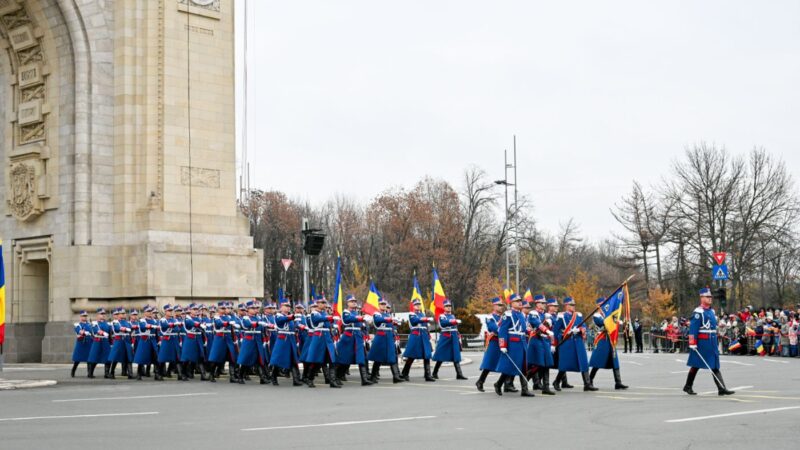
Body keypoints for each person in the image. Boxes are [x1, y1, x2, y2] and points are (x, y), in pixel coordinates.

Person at [683, 288, 734, 396]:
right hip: (702, 343)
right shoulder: (698, 312)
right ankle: (689, 386)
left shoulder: (711, 311)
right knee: (697, 365)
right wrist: (692, 343)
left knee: (713, 365)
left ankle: (721, 388)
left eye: (710, 297)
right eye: (707, 297)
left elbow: (710, 326)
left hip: (712, 342)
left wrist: (718, 326)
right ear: (701, 298)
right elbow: (693, 329)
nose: (710, 299)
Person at [493, 293, 535, 397]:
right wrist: (503, 345)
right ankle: (498, 384)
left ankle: (524, 390)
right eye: (517, 301)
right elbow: (502, 330)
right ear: (511, 303)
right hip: (513, 343)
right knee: (511, 366)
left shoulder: (521, 314)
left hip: (522, 342)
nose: (520, 302)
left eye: (520, 300)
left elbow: (524, 329)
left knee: (523, 366)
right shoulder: (508, 315)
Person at [553, 296, 596, 391]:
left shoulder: (578, 315)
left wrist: (580, 329)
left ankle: (587, 384)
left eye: (574, 305)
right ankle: (557, 381)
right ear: (566, 305)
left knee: (583, 362)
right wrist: (555, 343)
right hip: (567, 342)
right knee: (565, 363)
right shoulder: (561, 316)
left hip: (578, 341)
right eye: (571, 305)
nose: (573, 306)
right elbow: (556, 331)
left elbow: (584, 325)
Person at [588, 297, 628, 390]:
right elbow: (603, 324)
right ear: (598, 306)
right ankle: (589, 381)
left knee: (615, 361)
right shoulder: (596, 316)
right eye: (603, 304)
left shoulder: (607, 315)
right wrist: (615, 322)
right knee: (598, 362)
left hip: (610, 339)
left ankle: (618, 382)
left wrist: (616, 321)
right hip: (602, 340)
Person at [269, 298, 305, 386]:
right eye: (286, 306)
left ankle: (296, 380)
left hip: (291, 339)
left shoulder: (290, 317)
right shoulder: (278, 315)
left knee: (293, 360)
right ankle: (273, 377)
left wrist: (303, 327)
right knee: (278, 360)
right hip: (282, 340)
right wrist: (291, 317)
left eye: (289, 306)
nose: (288, 308)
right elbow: (281, 320)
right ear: (281, 307)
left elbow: (295, 325)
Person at [305, 297, 340, 388]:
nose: (324, 305)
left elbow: (329, 325)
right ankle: (310, 379)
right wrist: (329, 317)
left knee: (332, 360)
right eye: (322, 303)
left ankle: (332, 381)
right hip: (319, 338)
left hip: (327, 338)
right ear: (318, 303)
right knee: (317, 361)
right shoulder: (314, 313)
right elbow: (317, 320)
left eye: (325, 303)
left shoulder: (325, 313)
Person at [368, 299, 405, 384]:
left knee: (392, 356)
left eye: (385, 304)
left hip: (389, 337)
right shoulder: (377, 314)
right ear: (379, 305)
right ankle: (373, 376)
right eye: (382, 304)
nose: (384, 305)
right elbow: (378, 321)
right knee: (378, 358)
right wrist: (389, 319)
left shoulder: (387, 314)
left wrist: (395, 323)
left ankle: (395, 376)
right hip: (381, 337)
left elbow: (391, 326)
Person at [526, 294, 555, 395]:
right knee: (538, 364)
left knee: (547, 364)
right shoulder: (533, 313)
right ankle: (525, 382)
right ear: (537, 304)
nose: (544, 305)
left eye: (544, 303)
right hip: (536, 339)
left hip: (545, 340)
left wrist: (551, 321)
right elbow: (537, 323)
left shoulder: (546, 315)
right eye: (542, 303)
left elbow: (554, 322)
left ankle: (546, 387)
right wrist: (547, 329)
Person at [432, 299, 468, 380]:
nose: (449, 308)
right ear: (444, 307)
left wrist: (458, 335)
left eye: (450, 306)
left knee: (456, 355)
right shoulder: (442, 316)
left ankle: (459, 374)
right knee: (441, 355)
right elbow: (443, 324)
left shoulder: (452, 316)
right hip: (446, 337)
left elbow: (455, 327)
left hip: (454, 337)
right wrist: (453, 321)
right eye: (447, 306)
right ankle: (434, 372)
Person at [402, 298, 435, 382]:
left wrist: (428, 333)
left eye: (419, 304)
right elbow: (414, 321)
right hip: (416, 336)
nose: (418, 306)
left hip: (423, 335)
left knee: (426, 355)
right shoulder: (412, 314)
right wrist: (425, 319)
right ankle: (405, 373)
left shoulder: (422, 314)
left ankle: (428, 375)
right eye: (416, 305)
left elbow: (425, 326)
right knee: (412, 356)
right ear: (413, 306)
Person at [475, 297, 503, 392]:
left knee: (505, 362)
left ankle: (506, 384)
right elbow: (493, 328)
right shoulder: (490, 317)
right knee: (489, 363)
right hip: (494, 342)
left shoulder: (503, 317)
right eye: (499, 305)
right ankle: (480, 381)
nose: (501, 307)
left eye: (501, 305)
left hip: (502, 342)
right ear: (494, 306)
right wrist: (503, 332)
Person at [181, 304, 212, 381]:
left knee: (201, 357)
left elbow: (202, 327)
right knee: (187, 358)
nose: (195, 311)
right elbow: (191, 324)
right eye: (194, 309)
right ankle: (183, 374)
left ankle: (203, 375)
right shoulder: (187, 319)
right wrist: (200, 325)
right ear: (190, 310)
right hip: (190, 339)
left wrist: (202, 326)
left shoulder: (199, 318)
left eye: (196, 309)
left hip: (198, 338)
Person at [108, 307, 135, 380]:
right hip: (119, 341)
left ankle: (130, 373)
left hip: (126, 340)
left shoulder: (127, 322)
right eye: (122, 313)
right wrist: (125, 329)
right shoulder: (115, 322)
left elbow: (130, 329)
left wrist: (126, 329)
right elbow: (117, 329)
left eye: (124, 313)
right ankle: (112, 372)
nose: (124, 315)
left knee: (128, 357)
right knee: (116, 357)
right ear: (119, 314)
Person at [87, 308, 112, 379]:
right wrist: (102, 332)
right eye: (101, 314)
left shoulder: (107, 323)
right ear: (97, 315)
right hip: (97, 341)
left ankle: (106, 373)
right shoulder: (95, 323)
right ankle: (90, 373)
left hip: (105, 342)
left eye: (104, 314)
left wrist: (111, 342)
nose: (103, 315)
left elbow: (110, 333)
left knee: (108, 357)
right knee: (94, 357)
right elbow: (95, 331)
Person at [71, 310, 93, 378]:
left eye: (86, 316)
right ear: (80, 317)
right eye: (83, 316)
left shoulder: (90, 324)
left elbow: (91, 331)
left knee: (89, 359)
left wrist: (86, 332)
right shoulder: (77, 324)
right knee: (77, 359)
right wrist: (83, 332)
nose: (85, 317)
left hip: (88, 343)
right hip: (81, 343)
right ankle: (73, 371)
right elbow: (79, 331)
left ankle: (89, 373)